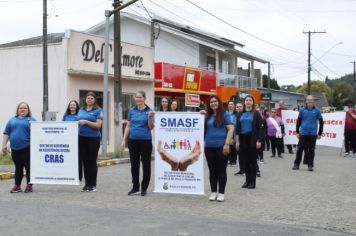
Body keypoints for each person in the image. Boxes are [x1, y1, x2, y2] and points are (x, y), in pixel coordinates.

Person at [122, 91, 154, 196]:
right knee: (134, 165)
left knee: (146, 165)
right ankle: (135, 187)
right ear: (135, 99)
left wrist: (150, 117)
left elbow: (151, 127)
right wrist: (124, 140)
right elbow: (128, 126)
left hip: (145, 141)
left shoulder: (149, 111)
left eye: (140, 97)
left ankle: (144, 187)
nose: (138, 99)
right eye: (137, 97)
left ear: (144, 98)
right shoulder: (132, 110)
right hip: (133, 141)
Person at [203, 95, 234, 202]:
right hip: (208, 147)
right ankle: (213, 192)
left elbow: (231, 129)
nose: (213, 104)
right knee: (212, 171)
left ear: (219, 102)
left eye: (215, 101)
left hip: (221, 146)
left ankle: (221, 193)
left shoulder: (225, 114)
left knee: (221, 170)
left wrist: (227, 144)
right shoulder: (207, 116)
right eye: (211, 102)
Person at [2, 102, 36, 193]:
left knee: (28, 167)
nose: (23, 109)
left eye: (25, 108)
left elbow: (38, 133)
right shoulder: (12, 120)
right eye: (21, 108)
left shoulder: (31, 120)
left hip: (27, 147)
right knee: (18, 167)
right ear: (18, 110)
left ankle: (29, 185)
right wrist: (4, 144)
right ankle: (17, 186)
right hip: (15, 148)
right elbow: (6, 133)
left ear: (28, 110)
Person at [236, 95, 264, 189]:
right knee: (245, 161)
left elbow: (260, 129)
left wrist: (259, 140)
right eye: (247, 100)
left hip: (252, 139)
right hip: (243, 139)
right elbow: (237, 129)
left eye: (250, 100)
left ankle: (253, 182)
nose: (248, 102)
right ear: (244, 102)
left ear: (253, 102)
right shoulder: (240, 114)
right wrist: (237, 141)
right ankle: (247, 181)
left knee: (252, 162)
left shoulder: (256, 114)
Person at [77, 92, 103, 192]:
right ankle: (87, 184)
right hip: (82, 138)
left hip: (93, 138)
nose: (90, 100)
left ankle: (93, 185)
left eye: (92, 98)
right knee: (85, 161)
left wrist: (86, 122)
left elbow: (98, 125)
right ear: (85, 99)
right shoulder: (81, 110)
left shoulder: (98, 110)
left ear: (94, 100)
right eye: (88, 98)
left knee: (92, 161)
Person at [292, 95, 323, 171]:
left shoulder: (317, 110)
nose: (309, 101)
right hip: (303, 133)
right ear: (306, 101)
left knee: (311, 150)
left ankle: (310, 165)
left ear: (313, 101)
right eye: (308, 100)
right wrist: (297, 132)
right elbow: (298, 121)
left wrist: (319, 133)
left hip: (312, 134)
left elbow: (321, 122)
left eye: (311, 100)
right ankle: (296, 164)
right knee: (299, 149)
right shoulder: (302, 110)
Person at [62, 100, 82, 181]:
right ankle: (69, 174)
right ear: (69, 106)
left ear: (76, 106)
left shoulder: (79, 116)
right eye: (71, 105)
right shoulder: (65, 116)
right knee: (68, 157)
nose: (72, 106)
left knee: (78, 158)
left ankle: (79, 176)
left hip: (77, 139)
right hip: (67, 139)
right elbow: (62, 126)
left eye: (74, 105)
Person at [234, 101, 245, 176]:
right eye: (237, 107)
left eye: (240, 106)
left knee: (247, 155)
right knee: (240, 155)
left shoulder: (245, 114)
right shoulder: (236, 115)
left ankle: (256, 171)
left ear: (243, 107)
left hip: (244, 137)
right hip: (237, 137)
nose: (238, 108)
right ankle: (242, 170)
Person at [227, 100, 237, 165]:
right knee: (229, 145)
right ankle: (229, 159)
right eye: (229, 104)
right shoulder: (226, 114)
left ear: (234, 106)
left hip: (235, 132)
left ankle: (234, 160)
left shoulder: (236, 114)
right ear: (228, 106)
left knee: (234, 146)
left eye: (232, 104)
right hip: (227, 132)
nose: (230, 105)